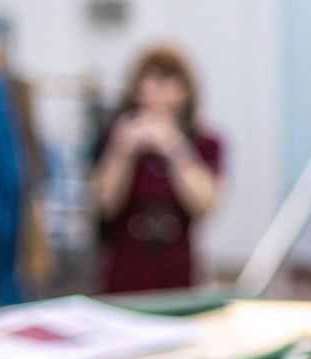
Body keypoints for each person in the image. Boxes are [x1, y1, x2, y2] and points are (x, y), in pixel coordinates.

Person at [90, 45, 223, 293]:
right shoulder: (117, 138)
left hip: (179, 272)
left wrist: (174, 147)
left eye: (161, 83)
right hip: (125, 272)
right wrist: (121, 152)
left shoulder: (205, 143)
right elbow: (104, 205)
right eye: (144, 85)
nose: (151, 93)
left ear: (184, 90)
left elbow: (205, 204)